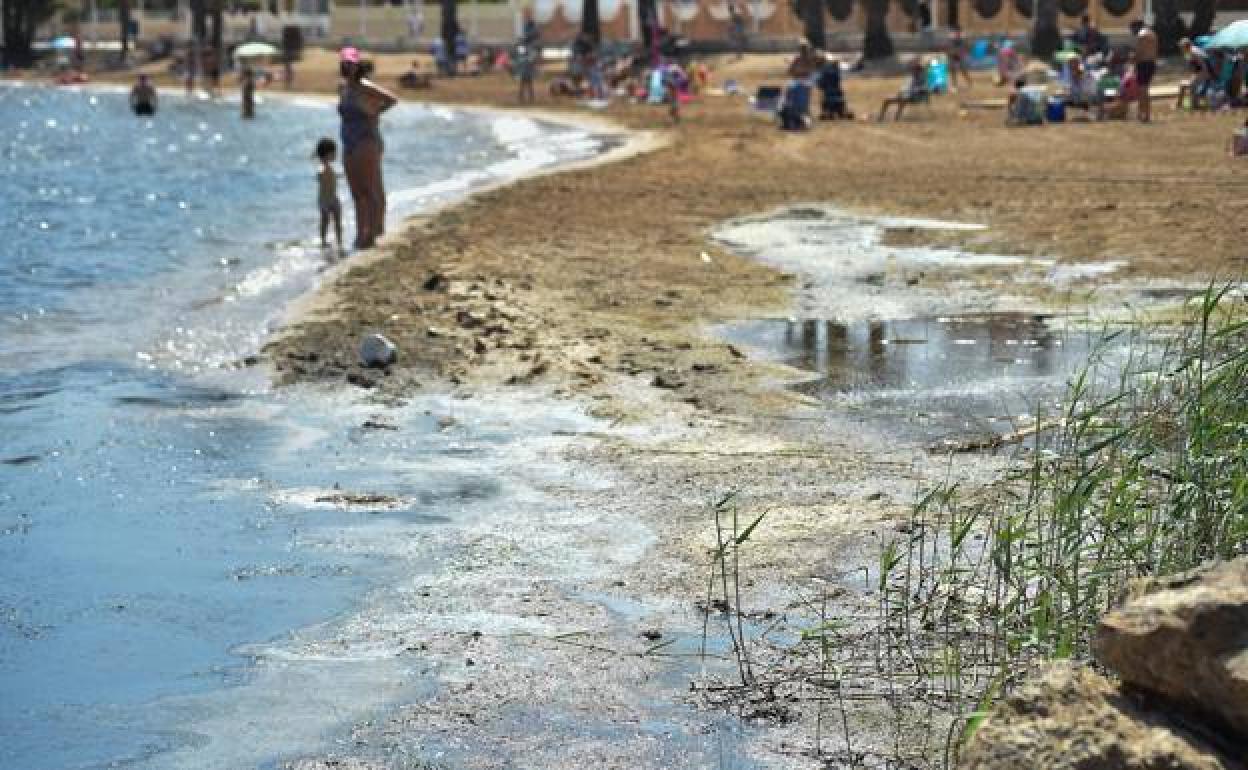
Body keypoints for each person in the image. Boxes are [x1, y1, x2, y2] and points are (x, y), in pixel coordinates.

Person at [337, 48, 398, 250]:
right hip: (348, 142)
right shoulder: (343, 88)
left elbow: (391, 99)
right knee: (356, 193)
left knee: (370, 189)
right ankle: (360, 233)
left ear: (358, 65)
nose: (349, 66)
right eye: (345, 63)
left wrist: (375, 113)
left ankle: (374, 233)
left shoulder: (364, 86)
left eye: (352, 63)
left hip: (366, 140)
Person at [315, 138, 344, 254]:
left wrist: (339, 175)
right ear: (328, 154)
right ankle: (323, 241)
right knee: (325, 221)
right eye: (334, 153)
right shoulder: (322, 167)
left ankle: (339, 241)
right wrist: (322, 173)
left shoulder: (329, 167)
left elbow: (331, 176)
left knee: (338, 220)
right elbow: (320, 173)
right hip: (324, 200)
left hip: (333, 198)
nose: (336, 155)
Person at [1176, 37, 1214, 110]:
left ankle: (1194, 104)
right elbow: (1193, 66)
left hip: (1205, 72)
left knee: (1192, 85)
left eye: (1181, 47)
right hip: (1200, 72)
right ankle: (1179, 104)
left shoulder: (1194, 52)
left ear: (1185, 46)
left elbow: (1203, 64)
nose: (1180, 49)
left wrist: (1206, 75)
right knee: (1183, 84)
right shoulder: (1189, 52)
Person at [1132, 19, 1157, 122]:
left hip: (1143, 64)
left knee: (1142, 90)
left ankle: (1142, 114)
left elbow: (1139, 52)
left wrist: (1133, 61)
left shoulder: (1141, 35)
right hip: (1151, 63)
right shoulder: (1153, 34)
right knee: (1145, 90)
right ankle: (1146, 114)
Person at [816, 55, 851, 119]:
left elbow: (820, 83)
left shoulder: (825, 71)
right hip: (832, 90)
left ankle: (831, 112)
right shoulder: (829, 71)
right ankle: (835, 112)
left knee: (831, 100)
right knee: (835, 100)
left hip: (831, 91)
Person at [947, 25, 971, 91]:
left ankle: (968, 82)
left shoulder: (962, 37)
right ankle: (954, 84)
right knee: (952, 69)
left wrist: (962, 52)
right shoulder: (951, 37)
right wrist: (951, 52)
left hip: (960, 54)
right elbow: (949, 47)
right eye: (955, 31)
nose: (956, 33)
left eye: (957, 31)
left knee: (963, 69)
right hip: (953, 54)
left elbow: (966, 46)